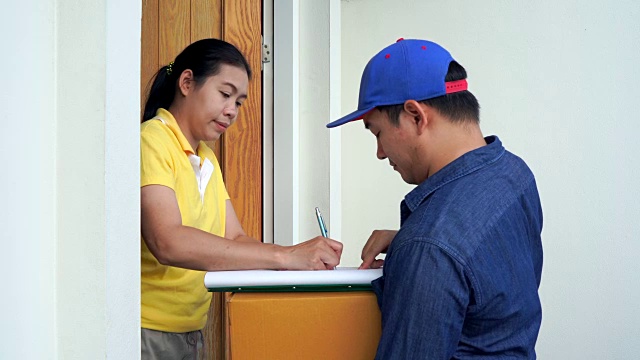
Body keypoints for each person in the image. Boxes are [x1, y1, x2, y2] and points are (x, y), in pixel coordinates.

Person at [327, 38, 543, 359]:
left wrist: (417, 250)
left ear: (416, 115)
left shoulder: (429, 246)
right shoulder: (514, 172)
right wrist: (413, 245)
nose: (380, 152)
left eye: (377, 133)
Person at [140, 38, 343, 359]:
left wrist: (299, 260)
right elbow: (168, 242)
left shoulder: (206, 158)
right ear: (187, 82)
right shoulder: (152, 140)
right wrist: (284, 257)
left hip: (190, 330)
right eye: (224, 94)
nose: (232, 110)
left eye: (239, 102)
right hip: (147, 329)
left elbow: (234, 237)